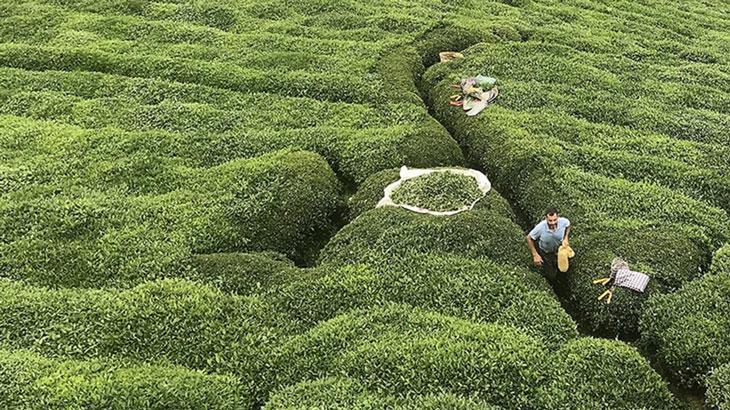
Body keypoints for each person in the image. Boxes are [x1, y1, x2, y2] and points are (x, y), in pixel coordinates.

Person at [526, 207, 571, 281]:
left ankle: (562, 280)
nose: (553, 223)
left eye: (555, 220)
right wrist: (535, 255)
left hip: (559, 250)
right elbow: (529, 238)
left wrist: (565, 237)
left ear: (558, 217)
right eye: (550, 220)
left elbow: (568, 225)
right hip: (546, 253)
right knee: (551, 274)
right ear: (546, 218)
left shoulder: (564, 222)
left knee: (563, 268)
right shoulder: (540, 227)